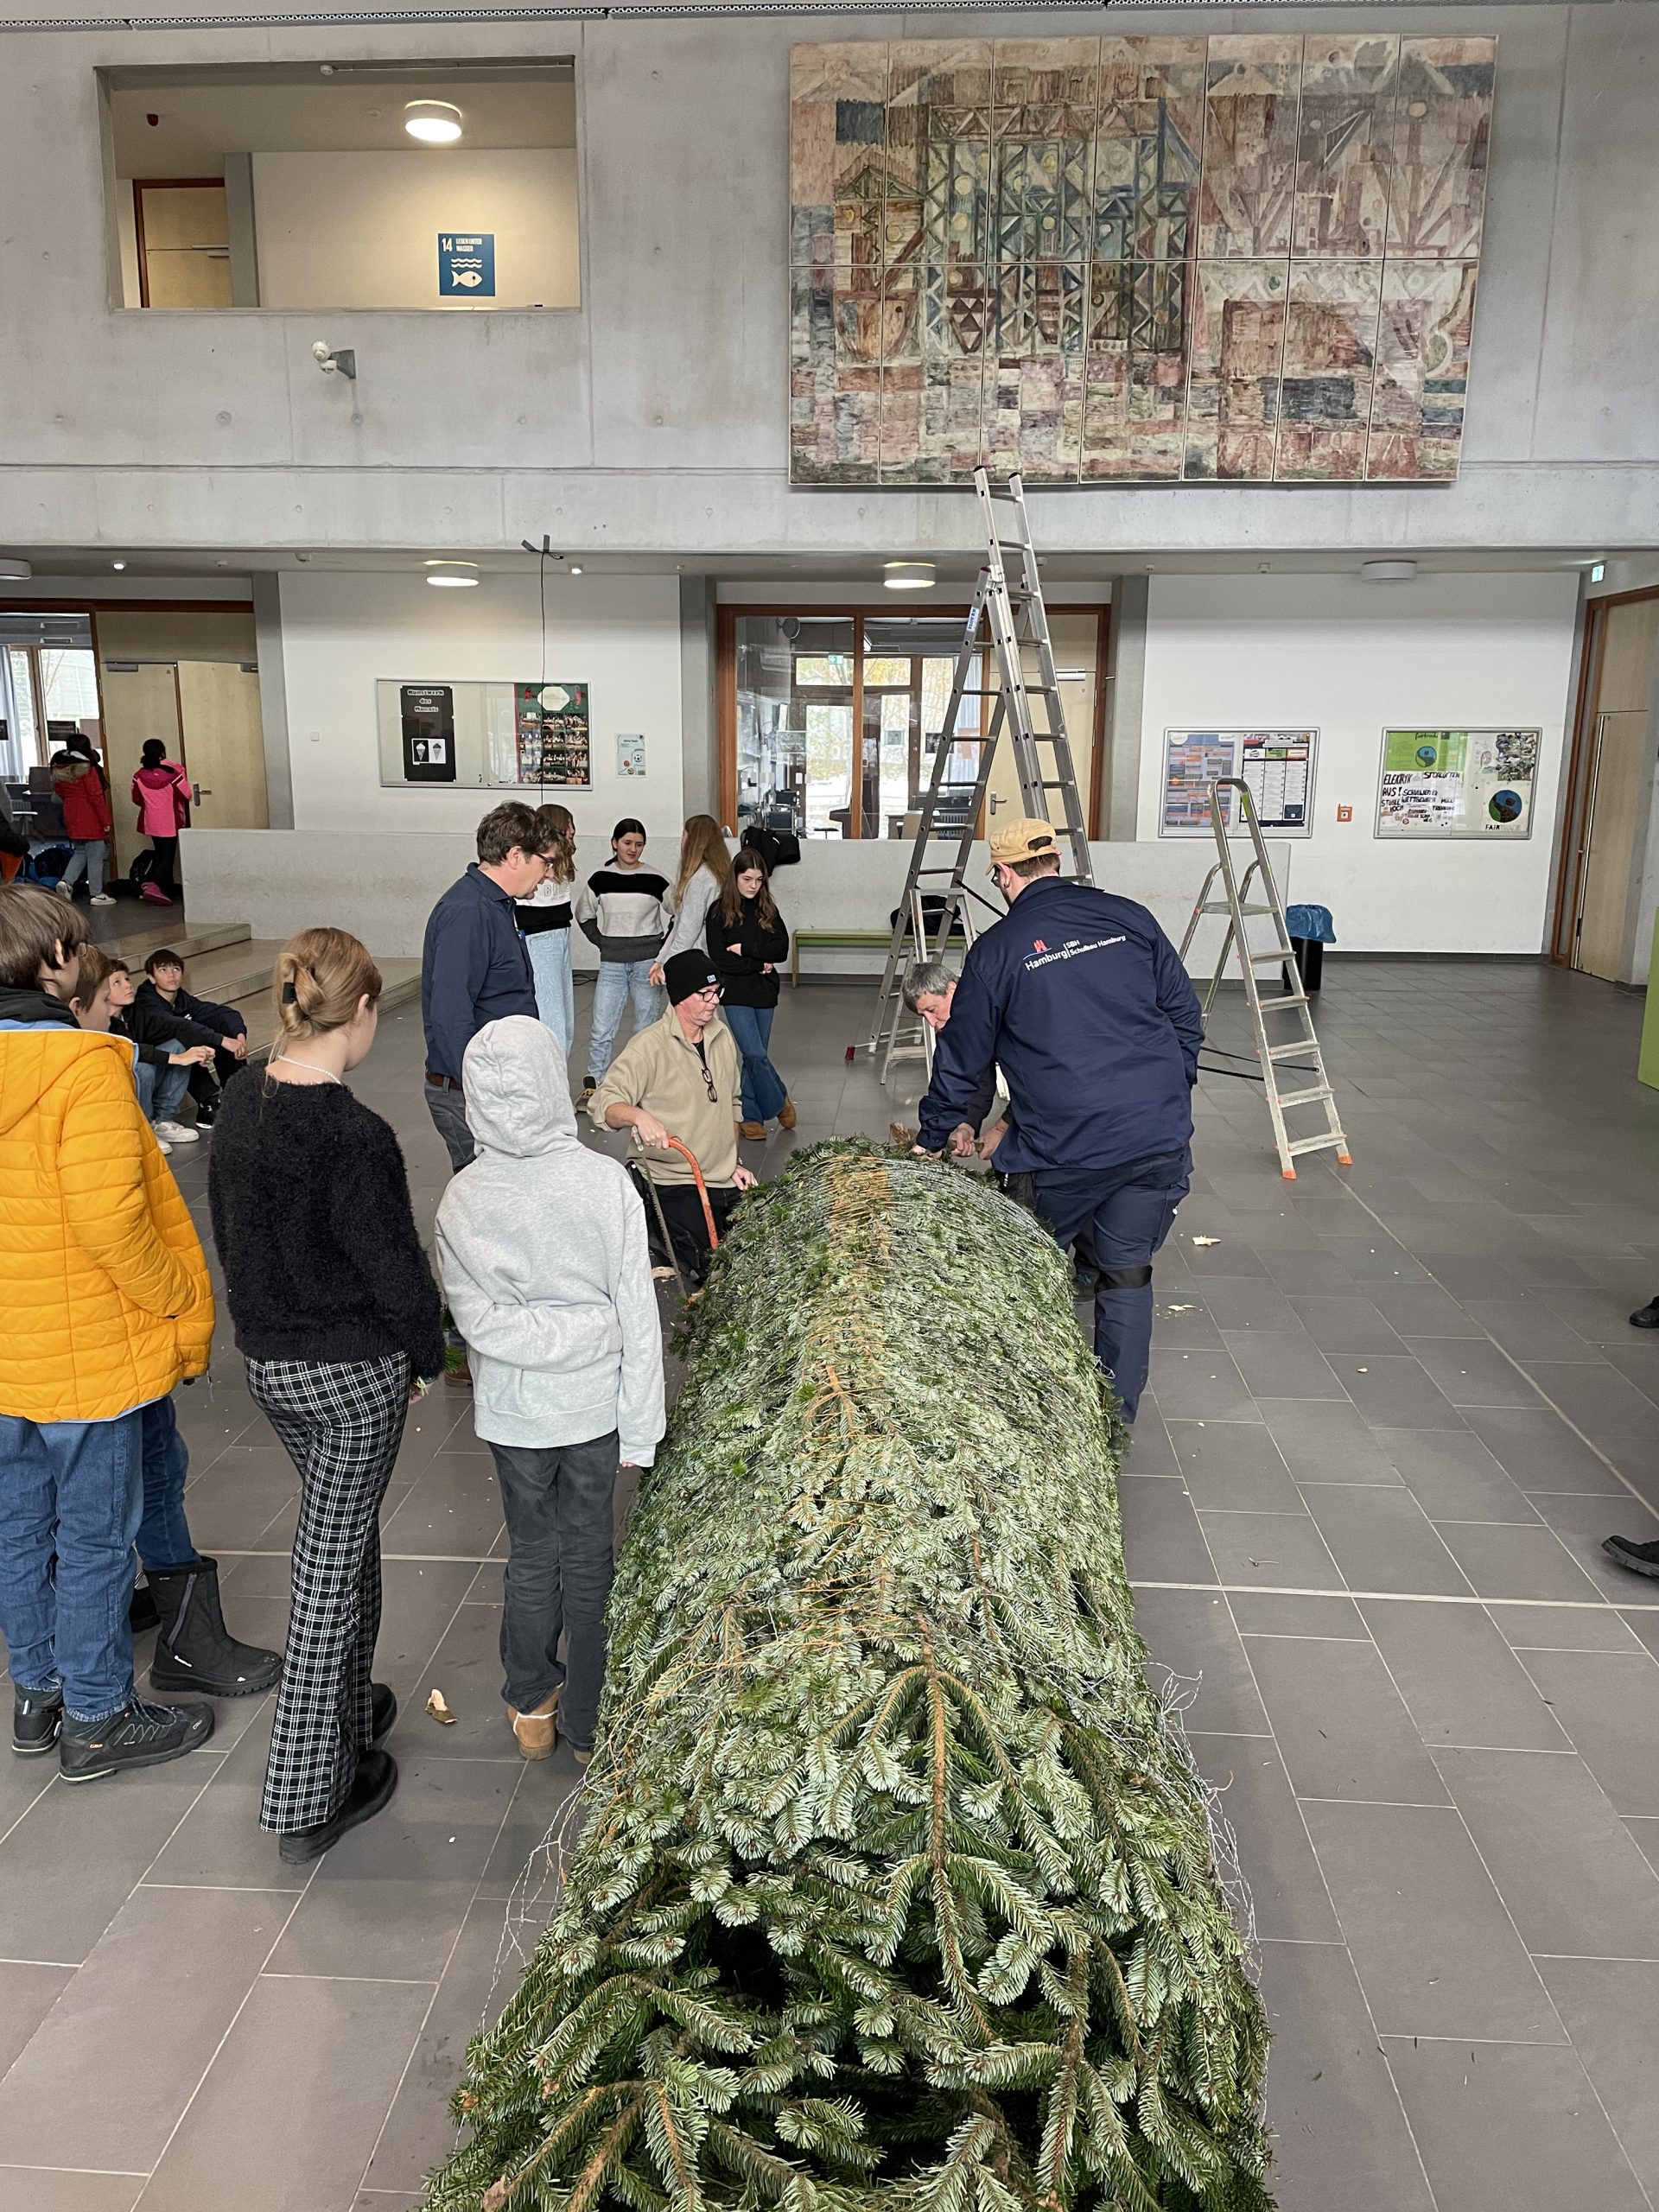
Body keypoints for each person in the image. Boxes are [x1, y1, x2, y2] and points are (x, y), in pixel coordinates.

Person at [209, 929, 446, 1863]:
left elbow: (230, 1230)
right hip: (351, 1377)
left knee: (340, 1538)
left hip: (272, 1367)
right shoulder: (354, 1135)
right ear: (362, 1011)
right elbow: (394, 1267)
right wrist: (426, 1355)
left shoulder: (239, 1100)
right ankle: (309, 1794)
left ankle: (348, 1709)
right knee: (325, 1574)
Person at [0, 883, 219, 1781]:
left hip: (8, 1346)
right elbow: (111, 1222)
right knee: (93, 1533)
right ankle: (96, 1716)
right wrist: (177, 1295)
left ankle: (39, 1692)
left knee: (20, 1524)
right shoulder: (82, 1065)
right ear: (55, 959)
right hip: (86, 1346)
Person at [915, 819, 1203, 1426]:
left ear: (1003, 874)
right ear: (1054, 862)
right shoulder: (1130, 917)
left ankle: (1026, 1420)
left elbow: (963, 1056)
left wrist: (934, 1133)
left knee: (1025, 1272)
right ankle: (1113, 1421)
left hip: (1063, 1150)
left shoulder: (997, 950)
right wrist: (1164, 1093)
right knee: (1126, 1275)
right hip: (1156, 1137)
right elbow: (1184, 1015)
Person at [435, 1017, 664, 1763]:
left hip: (514, 1415)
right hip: (594, 1409)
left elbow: (477, 1323)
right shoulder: (606, 1184)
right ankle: (588, 1722)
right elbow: (636, 1316)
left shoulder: (462, 1199)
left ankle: (531, 1703)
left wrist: (544, 1336)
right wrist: (637, 1418)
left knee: (533, 1551)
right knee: (589, 1556)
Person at [588, 948, 757, 1288]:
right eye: (704, 994)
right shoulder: (648, 1047)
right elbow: (603, 1104)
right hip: (673, 1179)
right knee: (707, 1266)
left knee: (761, 1252)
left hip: (720, 1177)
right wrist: (638, 1116)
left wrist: (732, 1162)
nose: (714, 1001)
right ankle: (657, 1228)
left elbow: (732, 1105)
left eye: (717, 992)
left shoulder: (722, 1037)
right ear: (679, 996)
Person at [420, 801, 550, 1173]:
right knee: (491, 1197)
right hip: (472, 1095)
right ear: (515, 856)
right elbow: (451, 1014)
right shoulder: (469, 912)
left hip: (496, 1088)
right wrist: (483, 1093)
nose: (547, 874)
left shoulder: (495, 905)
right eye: (545, 862)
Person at [575, 817, 671, 1095]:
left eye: (639, 844)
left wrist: (663, 950)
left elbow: (680, 915)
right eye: (627, 843)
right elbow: (584, 915)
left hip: (648, 964)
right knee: (601, 1027)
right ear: (614, 843)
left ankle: (643, 1083)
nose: (633, 849)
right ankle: (596, 1083)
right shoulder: (600, 879)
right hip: (612, 964)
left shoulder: (656, 879)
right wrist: (602, 943)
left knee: (645, 1028)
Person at [707, 845, 795, 1141]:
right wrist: (759, 964)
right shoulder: (718, 912)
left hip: (765, 991)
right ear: (735, 878)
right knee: (754, 1053)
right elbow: (721, 959)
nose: (753, 886)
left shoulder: (767, 909)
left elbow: (780, 950)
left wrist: (745, 950)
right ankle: (779, 1099)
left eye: (759, 880)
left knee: (755, 1057)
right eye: (747, 879)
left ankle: (750, 1116)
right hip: (734, 991)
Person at [104, 955, 219, 1150]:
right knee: (143, 1066)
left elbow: (173, 1027)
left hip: (140, 1083)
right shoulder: (98, 1020)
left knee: (178, 1045)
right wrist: (178, 1059)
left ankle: (162, 1120)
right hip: (117, 1090)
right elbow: (132, 1050)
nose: (128, 985)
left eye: (127, 979)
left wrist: (200, 1051)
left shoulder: (134, 1011)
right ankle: (144, 1128)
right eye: (117, 982)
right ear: (102, 990)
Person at [900, 957, 1001, 1160]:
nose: (931, 1022)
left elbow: (1039, 1084)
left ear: (952, 989)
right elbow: (975, 1078)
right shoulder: (953, 1026)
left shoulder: (994, 1007)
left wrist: (1001, 1129)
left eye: (932, 1010)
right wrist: (967, 1124)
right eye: (923, 1016)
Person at [137, 945, 249, 1124]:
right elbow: (178, 1025)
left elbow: (222, 1013)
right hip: (150, 1066)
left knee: (219, 1024)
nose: (171, 975)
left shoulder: (181, 999)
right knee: (187, 1038)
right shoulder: (146, 1003)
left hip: (171, 1058)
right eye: (163, 970)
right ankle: (208, 1103)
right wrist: (221, 1041)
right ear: (151, 977)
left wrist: (239, 1036)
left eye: (176, 969)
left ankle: (236, 1092)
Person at [515, 803, 577, 1058]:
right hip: (539, 940)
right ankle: (552, 1069)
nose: (572, 831)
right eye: (568, 825)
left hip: (560, 936)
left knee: (565, 1017)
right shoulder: (536, 863)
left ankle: (558, 1065)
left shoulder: (561, 862)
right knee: (552, 1017)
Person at [652, 814, 735, 985]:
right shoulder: (718, 874)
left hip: (697, 960)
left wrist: (668, 965)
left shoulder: (702, 878)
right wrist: (660, 960)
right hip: (707, 958)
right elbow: (679, 924)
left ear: (693, 841)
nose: (681, 842)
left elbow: (688, 931)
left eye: (683, 836)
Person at [51, 741, 115, 906]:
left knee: (80, 851)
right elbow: (96, 796)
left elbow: (59, 792)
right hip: (89, 815)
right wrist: (105, 820)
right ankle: (96, 893)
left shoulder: (59, 767)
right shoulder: (87, 768)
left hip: (70, 814)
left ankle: (66, 882)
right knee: (96, 855)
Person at [130, 739, 191, 906]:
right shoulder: (173, 772)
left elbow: (136, 798)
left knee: (160, 853)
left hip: (150, 821)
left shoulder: (138, 775)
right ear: (163, 752)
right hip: (171, 820)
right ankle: (154, 885)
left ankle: (165, 890)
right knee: (167, 857)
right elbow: (186, 794)